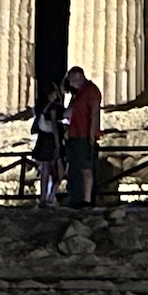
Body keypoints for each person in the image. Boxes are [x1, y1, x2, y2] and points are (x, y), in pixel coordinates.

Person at [63, 66, 103, 208]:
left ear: (79, 77)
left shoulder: (91, 91)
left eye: (72, 80)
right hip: (75, 134)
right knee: (75, 167)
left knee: (86, 167)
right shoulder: (78, 94)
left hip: (85, 135)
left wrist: (92, 135)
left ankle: (86, 199)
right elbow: (68, 113)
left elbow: (94, 113)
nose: (70, 83)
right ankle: (76, 197)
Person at [31, 76, 66, 207]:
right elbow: (55, 128)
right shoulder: (53, 107)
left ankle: (43, 197)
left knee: (45, 169)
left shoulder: (40, 106)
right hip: (51, 140)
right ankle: (52, 196)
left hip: (42, 139)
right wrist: (58, 145)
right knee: (60, 169)